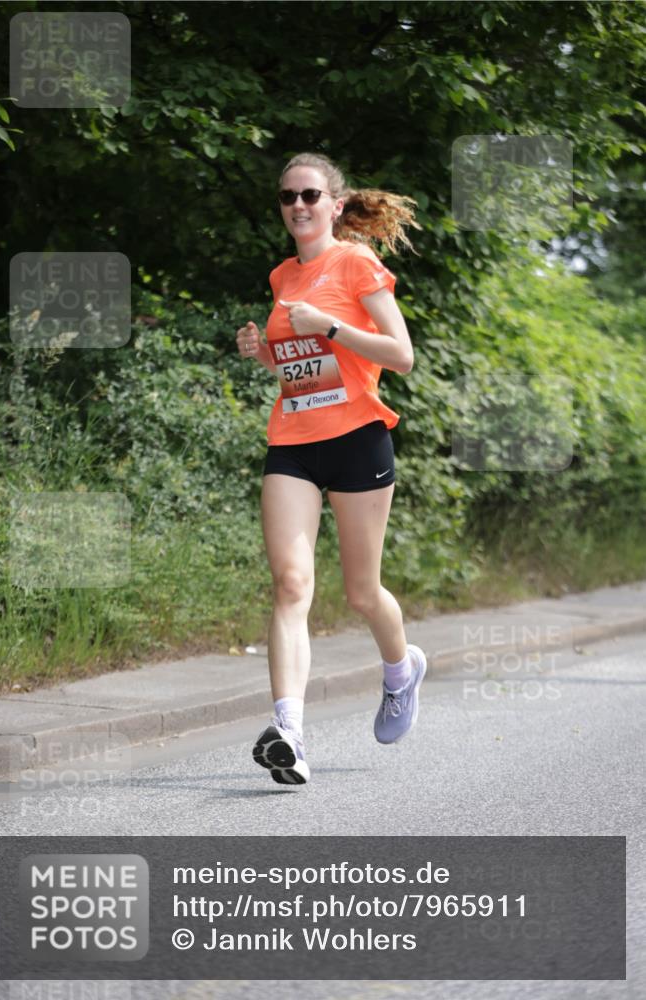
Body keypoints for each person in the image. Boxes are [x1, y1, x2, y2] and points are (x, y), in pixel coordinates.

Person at [235, 152, 426, 786]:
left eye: (310, 195)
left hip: (358, 440)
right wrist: (264, 352)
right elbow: (301, 368)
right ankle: (287, 730)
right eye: (288, 197)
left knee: (361, 594)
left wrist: (333, 326)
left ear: (335, 204)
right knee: (291, 585)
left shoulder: (356, 263)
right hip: (293, 441)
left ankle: (401, 673)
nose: (298, 206)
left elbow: (401, 356)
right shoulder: (281, 275)